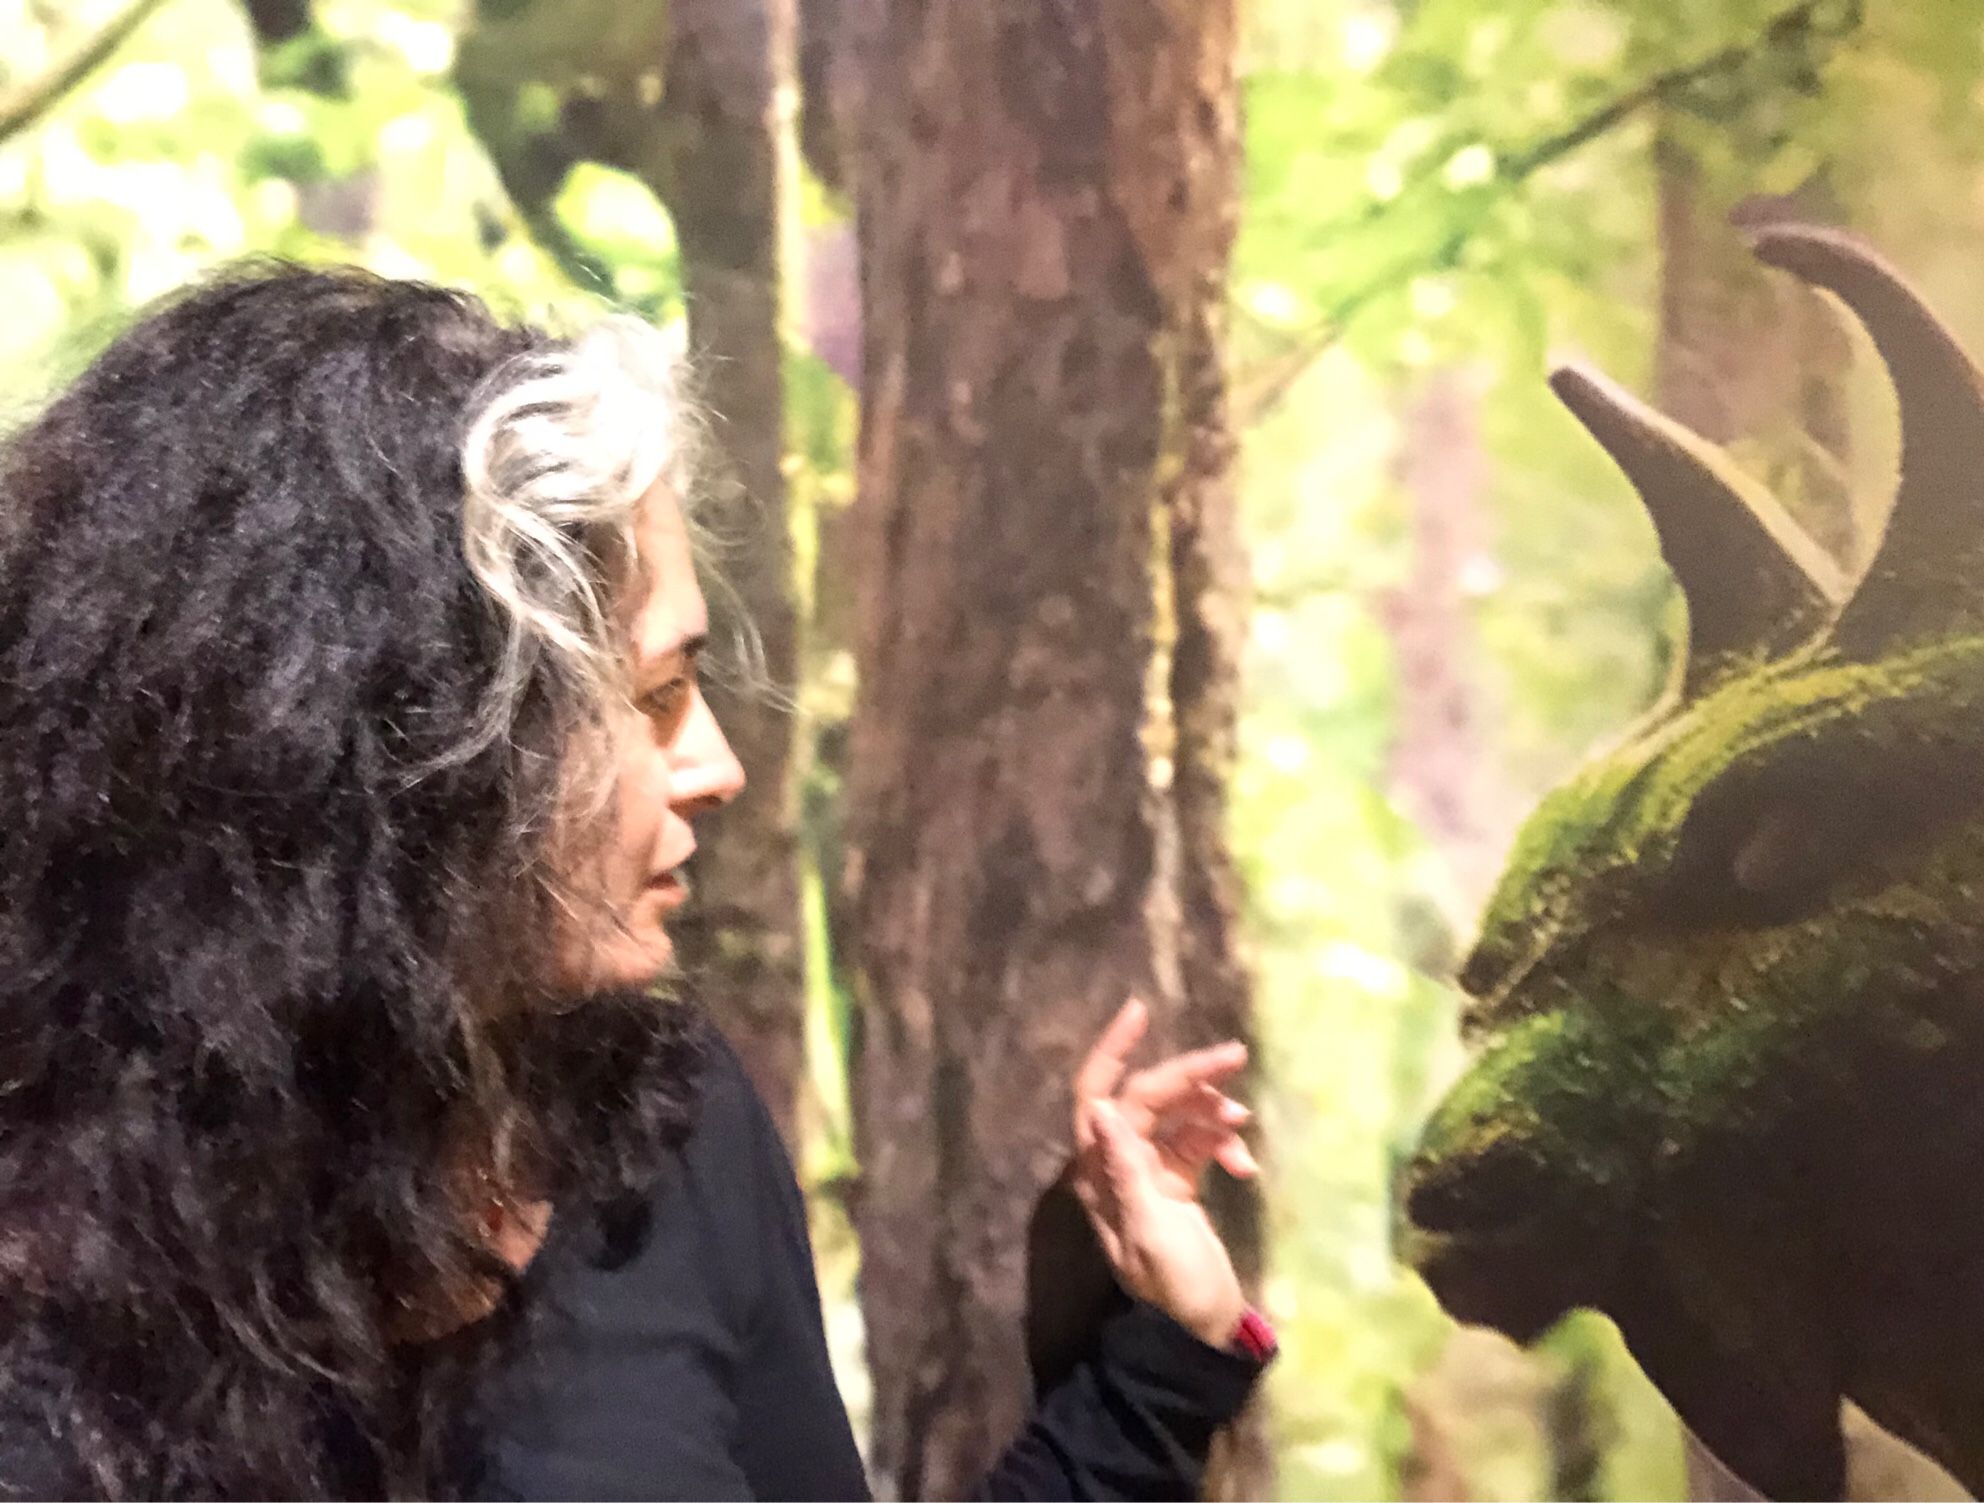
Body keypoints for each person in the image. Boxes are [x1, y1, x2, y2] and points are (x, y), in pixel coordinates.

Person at [0, 263, 1272, 1498]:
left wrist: (1162, 1358)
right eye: (654, 697)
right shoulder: (44, 1290)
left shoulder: (659, 1134)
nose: (714, 764)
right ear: (410, 756)